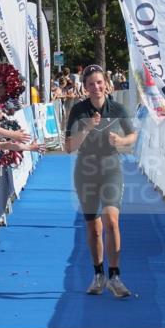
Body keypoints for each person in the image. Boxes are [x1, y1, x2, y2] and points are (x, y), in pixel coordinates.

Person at [64, 64, 137, 298]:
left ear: (106, 83)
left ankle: (115, 276)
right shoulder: (78, 110)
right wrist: (86, 129)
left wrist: (122, 141)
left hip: (111, 168)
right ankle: (98, 275)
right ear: (85, 87)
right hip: (86, 172)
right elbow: (68, 147)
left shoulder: (117, 108)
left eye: (99, 82)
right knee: (94, 229)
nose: (96, 87)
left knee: (112, 222)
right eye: (91, 84)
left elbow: (133, 134)